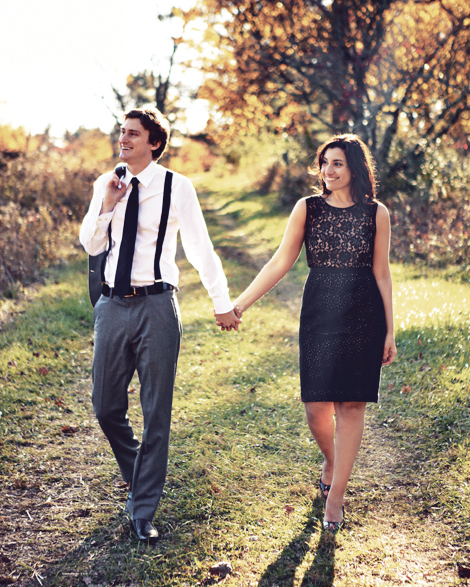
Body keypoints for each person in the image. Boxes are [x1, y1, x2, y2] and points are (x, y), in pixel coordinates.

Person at [80, 108, 240, 543]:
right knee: (105, 406)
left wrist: (221, 302)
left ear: (154, 142)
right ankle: (139, 470)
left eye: (133, 134)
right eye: (121, 133)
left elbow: (200, 248)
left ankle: (143, 509)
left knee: (157, 413)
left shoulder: (177, 187)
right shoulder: (105, 183)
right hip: (113, 305)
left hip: (156, 307)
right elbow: (91, 244)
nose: (123, 139)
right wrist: (108, 205)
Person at [228, 134, 397, 532]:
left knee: (351, 406)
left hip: (363, 312)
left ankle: (336, 497)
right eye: (325, 162)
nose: (328, 170)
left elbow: (383, 273)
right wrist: (240, 304)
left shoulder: (377, 213)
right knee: (316, 407)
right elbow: (280, 262)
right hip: (320, 309)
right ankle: (333, 459)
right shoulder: (308, 209)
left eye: (337, 163)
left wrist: (390, 329)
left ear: (355, 167)